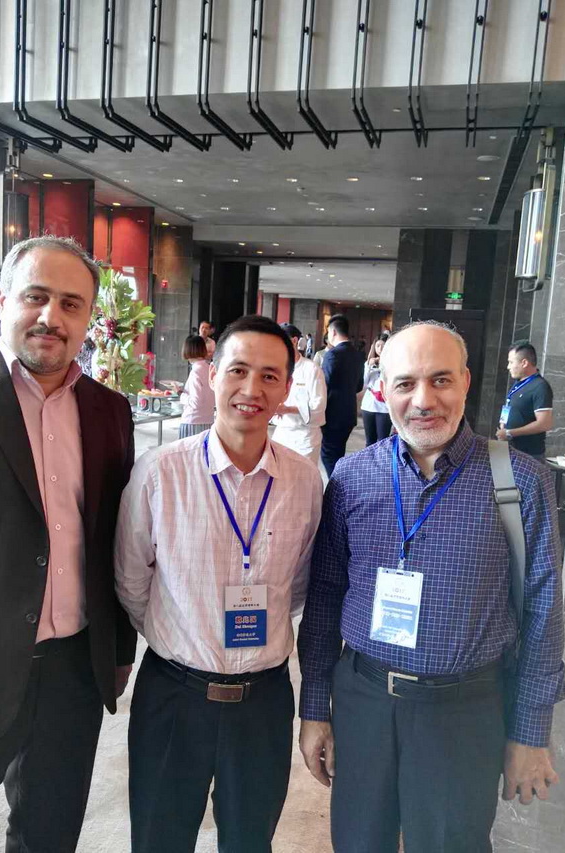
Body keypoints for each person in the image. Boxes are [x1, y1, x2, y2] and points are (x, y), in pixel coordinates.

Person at [298, 321, 565, 853]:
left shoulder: (521, 482)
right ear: (383, 390)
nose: (423, 400)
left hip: (464, 713)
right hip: (363, 701)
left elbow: (543, 614)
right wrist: (314, 708)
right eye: (405, 384)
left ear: (465, 381)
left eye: (440, 380)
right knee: (357, 842)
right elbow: (326, 595)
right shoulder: (353, 476)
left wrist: (529, 732)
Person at [0, 236, 136, 853]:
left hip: (72, 671)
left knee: (49, 836)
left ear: (88, 317)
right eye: (36, 297)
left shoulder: (109, 411)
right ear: (2, 301)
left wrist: (117, 649)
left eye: (71, 304)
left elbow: (112, 537)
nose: (52, 316)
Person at [115, 314, 323, 853]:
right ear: (212, 375)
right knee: (159, 839)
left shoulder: (304, 481)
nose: (252, 389)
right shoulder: (160, 472)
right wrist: (183, 631)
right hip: (174, 695)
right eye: (238, 370)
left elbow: (299, 584)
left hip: (264, 701)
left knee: (251, 841)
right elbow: (132, 580)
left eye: (270, 376)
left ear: (287, 388)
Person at [272, 323, 327, 464]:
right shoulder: (277, 369)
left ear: (294, 341)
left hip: (305, 437)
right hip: (281, 433)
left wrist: (288, 409)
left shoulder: (311, 369)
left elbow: (319, 406)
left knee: (303, 475)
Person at [320, 314, 363, 477]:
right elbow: (359, 386)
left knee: (328, 455)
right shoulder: (357, 354)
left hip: (332, 415)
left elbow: (324, 386)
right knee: (338, 454)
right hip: (349, 414)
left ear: (333, 332)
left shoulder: (332, 354)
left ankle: (336, 487)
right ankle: (340, 483)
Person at [496, 340, 553, 461]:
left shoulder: (540, 386)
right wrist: (502, 425)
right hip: (509, 448)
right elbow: (508, 404)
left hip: (529, 455)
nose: (508, 367)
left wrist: (510, 432)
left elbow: (544, 423)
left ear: (524, 363)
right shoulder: (518, 384)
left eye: (511, 362)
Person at [179, 333, 215, 438]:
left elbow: (195, 402)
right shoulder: (209, 369)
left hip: (192, 422)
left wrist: (180, 393)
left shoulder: (196, 372)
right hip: (208, 421)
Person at [361, 334, 392, 445]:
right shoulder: (369, 362)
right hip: (369, 404)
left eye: (383, 346)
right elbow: (364, 383)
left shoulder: (393, 363)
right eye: (378, 345)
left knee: (383, 441)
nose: (380, 349)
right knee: (370, 441)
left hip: (384, 407)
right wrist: (369, 367)